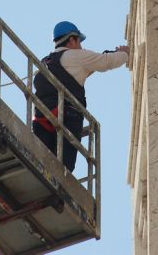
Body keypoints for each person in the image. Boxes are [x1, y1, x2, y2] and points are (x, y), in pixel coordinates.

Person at [32, 21, 129, 172]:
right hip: (67, 117)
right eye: (79, 41)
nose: (81, 46)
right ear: (72, 40)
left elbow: (75, 75)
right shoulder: (75, 56)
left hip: (41, 120)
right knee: (63, 169)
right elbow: (105, 62)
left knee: (41, 164)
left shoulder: (46, 62)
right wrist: (125, 53)